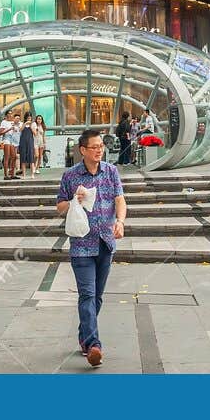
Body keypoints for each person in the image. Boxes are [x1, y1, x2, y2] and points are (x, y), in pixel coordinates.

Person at [56, 129, 127, 368]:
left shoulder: (111, 172)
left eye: (101, 146)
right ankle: (94, 345)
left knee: (96, 297)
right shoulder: (70, 176)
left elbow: (120, 199)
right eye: (94, 147)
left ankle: (84, 335)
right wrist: (73, 201)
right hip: (81, 246)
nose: (99, 150)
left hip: (106, 242)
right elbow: (60, 207)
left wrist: (120, 221)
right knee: (87, 294)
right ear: (83, 150)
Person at [18, 109, 37, 176]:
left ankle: (32, 174)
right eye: (28, 116)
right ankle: (24, 174)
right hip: (23, 142)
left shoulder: (33, 124)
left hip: (30, 142)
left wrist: (31, 126)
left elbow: (35, 133)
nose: (29, 117)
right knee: (23, 158)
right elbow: (20, 130)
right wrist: (25, 123)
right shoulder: (21, 123)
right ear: (25, 117)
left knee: (31, 158)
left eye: (30, 116)